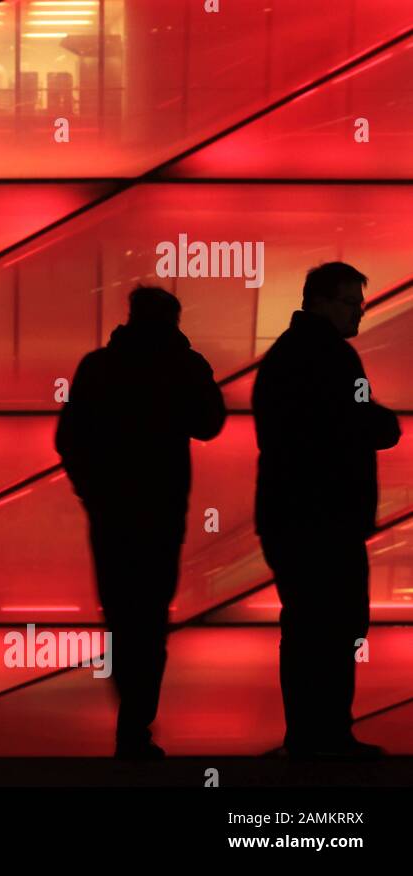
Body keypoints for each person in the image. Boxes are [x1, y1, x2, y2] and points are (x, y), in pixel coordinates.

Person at [55, 286, 226, 759]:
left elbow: (68, 439)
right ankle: (135, 724)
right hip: (162, 509)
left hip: (112, 513)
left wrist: (92, 491)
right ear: (172, 321)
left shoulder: (98, 367)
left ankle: (129, 717)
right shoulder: (178, 366)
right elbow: (210, 423)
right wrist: (192, 362)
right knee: (150, 617)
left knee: (121, 613)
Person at [253, 262, 401, 760]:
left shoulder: (282, 358)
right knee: (336, 628)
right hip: (329, 518)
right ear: (322, 301)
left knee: (306, 627)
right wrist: (385, 425)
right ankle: (330, 736)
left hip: (290, 514)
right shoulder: (336, 359)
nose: (359, 312)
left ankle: (307, 737)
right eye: (352, 303)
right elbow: (363, 420)